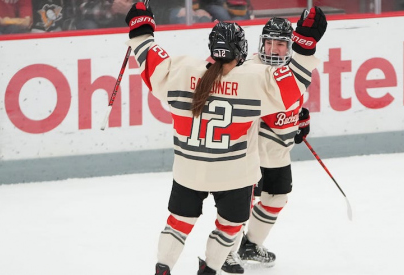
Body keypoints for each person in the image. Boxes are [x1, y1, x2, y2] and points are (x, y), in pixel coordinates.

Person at [124, 3, 326, 274]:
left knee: (178, 223)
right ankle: (209, 270)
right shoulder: (252, 80)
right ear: (243, 50)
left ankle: (162, 269)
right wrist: (305, 46)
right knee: (229, 226)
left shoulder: (183, 71)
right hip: (235, 175)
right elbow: (292, 87)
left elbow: (149, 58)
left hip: (189, 172)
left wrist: (141, 27)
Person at [220, 16, 320, 274]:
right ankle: (225, 252)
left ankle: (250, 245)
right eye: (269, 43)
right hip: (250, 154)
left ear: (289, 47)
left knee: (277, 198)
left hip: (278, 154)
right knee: (241, 205)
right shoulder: (248, 69)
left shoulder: (295, 69)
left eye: (280, 44)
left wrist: (299, 117)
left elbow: (290, 98)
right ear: (261, 43)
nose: (273, 49)